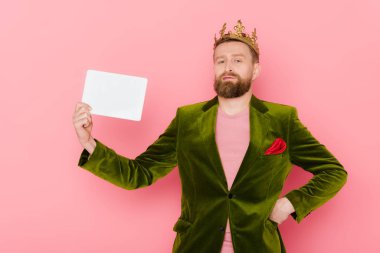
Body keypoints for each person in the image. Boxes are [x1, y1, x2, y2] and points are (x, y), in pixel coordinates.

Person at [72, 20, 348, 253]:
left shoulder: (282, 119)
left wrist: (289, 204)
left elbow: (334, 172)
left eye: (238, 60)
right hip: (196, 245)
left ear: (255, 69)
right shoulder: (187, 119)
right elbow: (139, 173)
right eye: (221, 61)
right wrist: (89, 143)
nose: (228, 67)